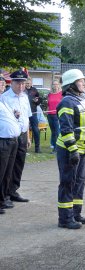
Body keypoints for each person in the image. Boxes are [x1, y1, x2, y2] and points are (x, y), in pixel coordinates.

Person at [56, 69, 85, 229]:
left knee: (79, 182)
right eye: (80, 81)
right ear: (71, 85)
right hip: (69, 150)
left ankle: (76, 214)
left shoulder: (81, 99)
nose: (84, 83)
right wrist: (72, 150)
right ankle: (65, 219)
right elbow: (66, 129)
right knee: (68, 182)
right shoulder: (67, 102)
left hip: (82, 149)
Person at [1, 70, 32, 203]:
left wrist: (29, 137)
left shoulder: (25, 97)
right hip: (11, 136)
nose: (21, 86)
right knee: (8, 166)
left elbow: (27, 117)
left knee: (19, 164)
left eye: (23, 84)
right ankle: (5, 194)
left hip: (23, 135)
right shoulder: (5, 98)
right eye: (18, 83)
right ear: (12, 83)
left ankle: (13, 190)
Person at [0, 84, 21, 214]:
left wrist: (15, 116)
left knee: (7, 173)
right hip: (3, 140)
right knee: (1, 172)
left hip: (13, 141)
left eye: (3, 84)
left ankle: (2, 199)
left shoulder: (3, 100)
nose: (2, 86)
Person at [25, 77, 42, 153]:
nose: (28, 85)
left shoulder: (35, 90)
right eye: (26, 83)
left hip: (33, 113)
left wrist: (37, 101)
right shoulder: (22, 90)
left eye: (29, 83)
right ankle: (24, 147)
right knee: (23, 130)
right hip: (24, 114)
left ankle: (37, 148)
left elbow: (39, 101)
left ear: (31, 83)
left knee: (35, 129)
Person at [47, 80, 63, 154]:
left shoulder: (61, 94)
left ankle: (57, 148)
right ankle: (53, 146)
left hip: (57, 115)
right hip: (50, 115)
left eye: (56, 84)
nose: (55, 86)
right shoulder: (50, 94)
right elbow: (48, 105)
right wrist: (47, 112)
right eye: (54, 84)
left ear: (59, 85)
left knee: (57, 132)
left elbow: (63, 104)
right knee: (53, 132)